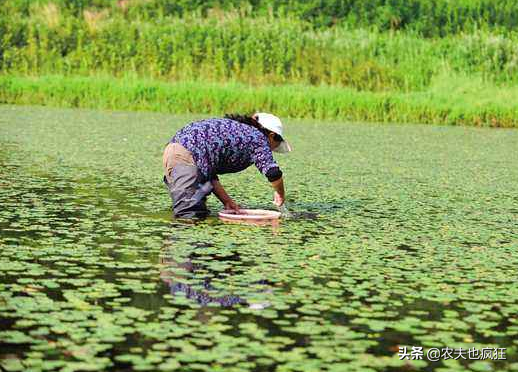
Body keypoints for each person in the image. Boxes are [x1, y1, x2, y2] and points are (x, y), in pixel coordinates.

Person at [162, 112, 291, 218]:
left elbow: (209, 173)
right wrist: (280, 194)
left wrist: (228, 202)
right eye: (274, 146)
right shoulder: (259, 138)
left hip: (174, 154)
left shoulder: (236, 130)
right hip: (186, 159)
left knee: (198, 211)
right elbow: (273, 173)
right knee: (188, 218)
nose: (271, 150)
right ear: (272, 136)